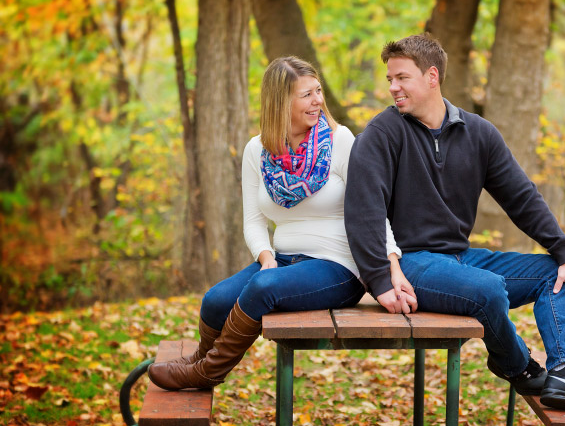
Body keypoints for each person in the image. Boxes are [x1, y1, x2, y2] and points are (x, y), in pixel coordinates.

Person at [344, 34, 565, 413]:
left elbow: (522, 197)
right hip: (412, 265)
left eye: (402, 78)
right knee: (489, 289)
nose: (393, 87)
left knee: (551, 272)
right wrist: (380, 279)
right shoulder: (383, 132)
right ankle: (518, 366)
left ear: (432, 77)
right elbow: (363, 209)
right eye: (390, 80)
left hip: (461, 258)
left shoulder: (479, 133)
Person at [148, 56, 402, 390]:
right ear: (280, 102)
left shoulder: (341, 142)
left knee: (263, 288)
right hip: (283, 260)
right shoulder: (257, 151)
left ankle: (206, 372)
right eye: (306, 95)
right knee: (214, 300)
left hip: (339, 266)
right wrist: (267, 258)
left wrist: (391, 265)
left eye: (318, 91)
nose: (318, 102)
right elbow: (253, 221)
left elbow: (373, 210)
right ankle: (199, 359)